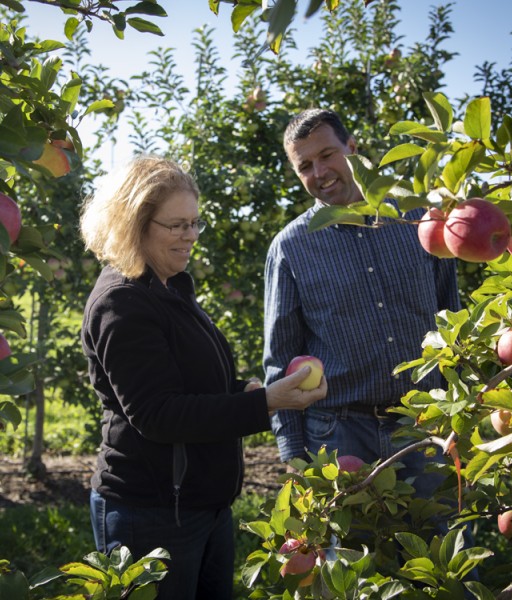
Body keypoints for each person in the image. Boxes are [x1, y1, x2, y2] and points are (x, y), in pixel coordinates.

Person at [79, 155, 327, 600]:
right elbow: (158, 414)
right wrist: (266, 403)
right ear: (134, 224)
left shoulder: (168, 287)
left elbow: (186, 384)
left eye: (194, 223)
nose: (190, 236)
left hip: (200, 506)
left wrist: (242, 392)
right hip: (151, 511)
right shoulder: (124, 303)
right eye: (176, 225)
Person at [263, 108, 461, 499]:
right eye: (305, 166)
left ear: (352, 148)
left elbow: (449, 316)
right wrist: (293, 454)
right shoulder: (291, 247)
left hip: (425, 424)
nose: (319, 173)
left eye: (327, 155)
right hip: (341, 435)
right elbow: (280, 358)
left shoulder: (417, 219)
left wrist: (463, 415)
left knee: (439, 541)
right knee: (354, 557)